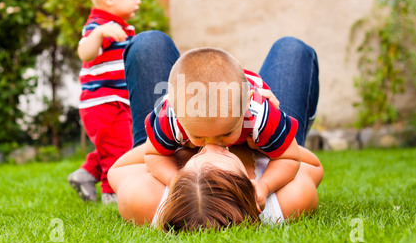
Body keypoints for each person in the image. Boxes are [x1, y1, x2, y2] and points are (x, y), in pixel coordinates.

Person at [125, 34, 318, 210]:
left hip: (255, 114)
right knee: (148, 41)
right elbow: (153, 154)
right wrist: (175, 181)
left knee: (292, 47)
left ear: (246, 107)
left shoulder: (260, 115)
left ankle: (276, 134)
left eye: (225, 134)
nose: (212, 145)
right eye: (199, 136)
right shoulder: (170, 116)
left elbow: (290, 157)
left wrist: (265, 185)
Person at [108, 142, 323, 232]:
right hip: (275, 144)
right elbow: (314, 165)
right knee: (292, 48)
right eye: (225, 153)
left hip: (173, 141)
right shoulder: (283, 203)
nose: (210, 145)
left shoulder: (146, 198)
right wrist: (264, 141)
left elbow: (118, 169)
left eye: (199, 154)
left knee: (150, 44)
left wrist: (174, 140)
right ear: (248, 182)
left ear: (182, 174)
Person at [67, 0, 143, 204]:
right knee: (119, 149)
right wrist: (98, 34)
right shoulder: (99, 26)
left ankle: (86, 173)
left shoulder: (118, 26)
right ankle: (113, 195)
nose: (138, 1)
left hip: (115, 101)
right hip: (104, 103)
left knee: (114, 145)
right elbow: (85, 53)